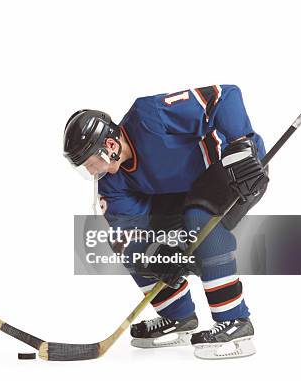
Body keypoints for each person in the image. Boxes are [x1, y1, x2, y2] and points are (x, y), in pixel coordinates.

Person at [63, 85, 268, 359]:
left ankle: (236, 321)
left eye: (90, 163)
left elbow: (223, 96)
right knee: (125, 246)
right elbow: (128, 234)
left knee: (200, 218)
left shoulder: (149, 116)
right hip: (188, 193)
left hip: (236, 168)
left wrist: (241, 144)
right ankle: (179, 316)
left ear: (109, 145)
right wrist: (157, 255)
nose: (90, 171)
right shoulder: (111, 184)